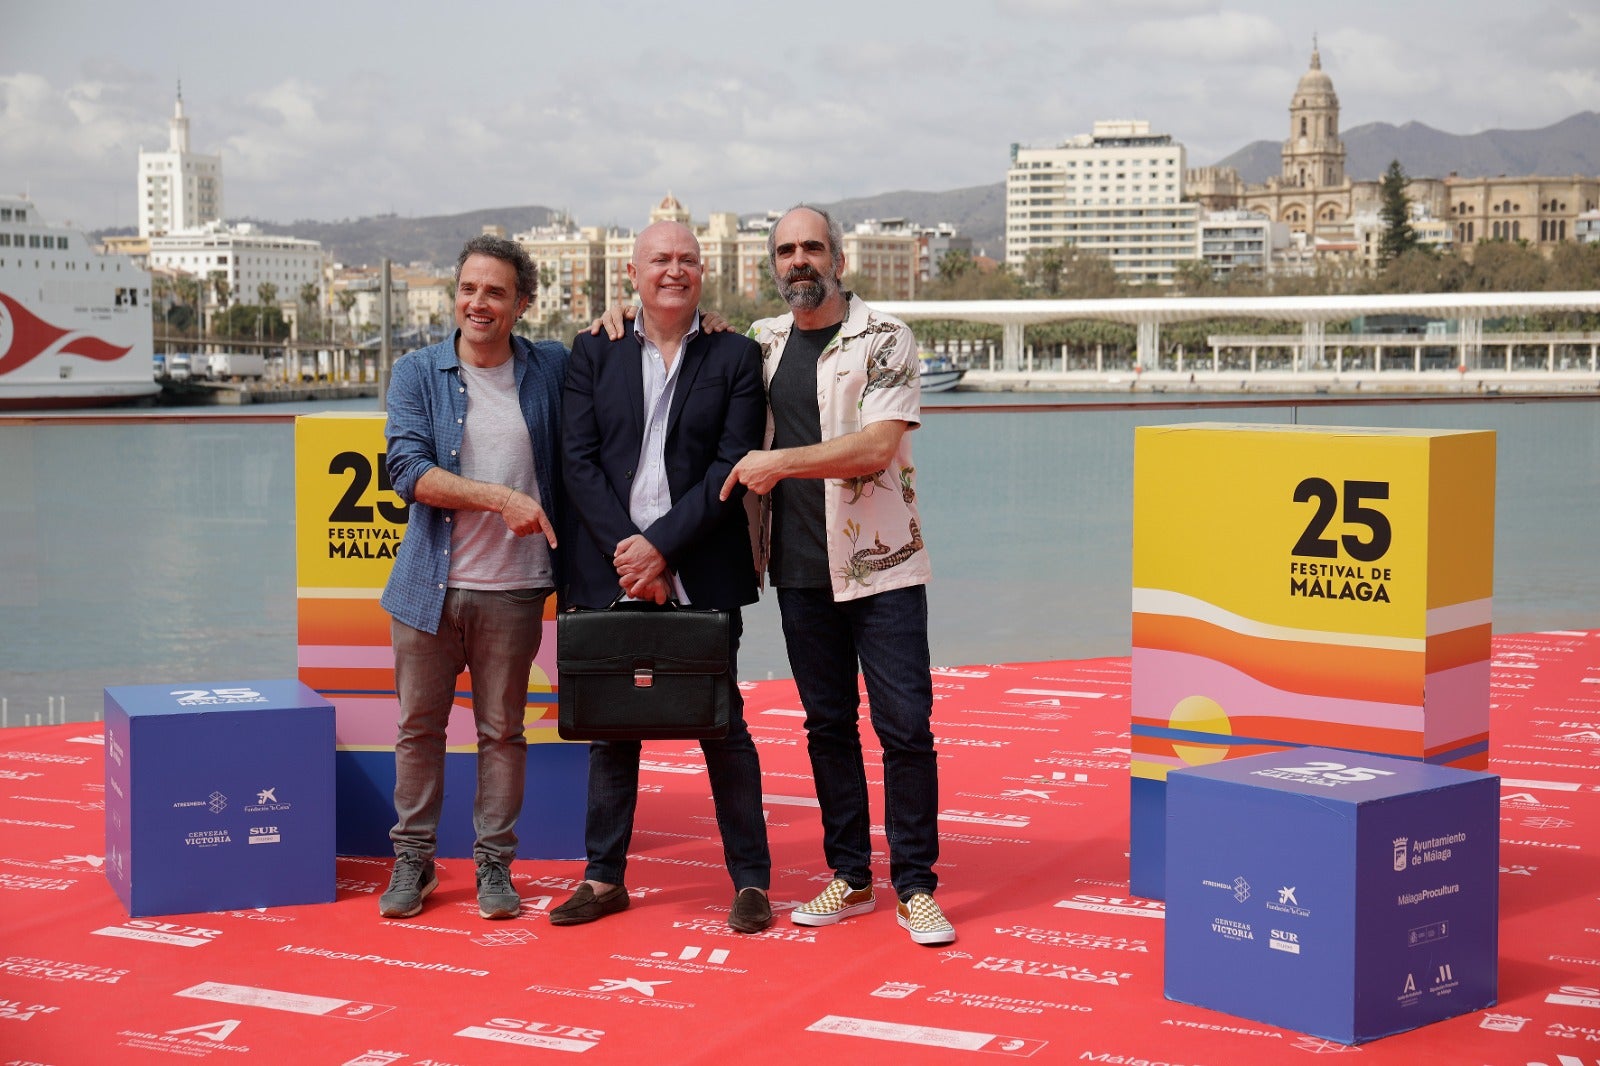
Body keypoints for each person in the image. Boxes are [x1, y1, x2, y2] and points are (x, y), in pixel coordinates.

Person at [720, 204, 954, 946]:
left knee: (905, 727)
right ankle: (851, 877)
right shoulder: (761, 342)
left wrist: (777, 462)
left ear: (839, 259)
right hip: (796, 569)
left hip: (882, 566)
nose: (799, 261)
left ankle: (916, 885)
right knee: (828, 726)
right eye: (786, 250)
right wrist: (627, 317)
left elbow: (876, 446)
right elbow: (684, 357)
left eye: (812, 248)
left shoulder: (885, 337)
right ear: (773, 263)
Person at [550, 221, 773, 933]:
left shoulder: (737, 355)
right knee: (613, 733)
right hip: (608, 566)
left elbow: (730, 465)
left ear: (703, 271)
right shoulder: (592, 349)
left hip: (699, 563)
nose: (673, 271)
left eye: (685, 259)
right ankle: (603, 877)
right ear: (632, 272)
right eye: (659, 260)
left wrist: (662, 550)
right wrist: (630, 550)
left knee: (723, 728)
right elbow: (576, 461)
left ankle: (751, 883)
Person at [376, 234, 566, 921]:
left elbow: (622, 364)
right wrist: (503, 498)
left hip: (514, 589)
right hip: (427, 584)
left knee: (501, 732)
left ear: (522, 303)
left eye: (494, 291)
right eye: (468, 289)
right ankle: (413, 862)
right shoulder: (416, 373)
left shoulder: (551, 370)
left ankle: (494, 867)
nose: (477, 303)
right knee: (419, 730)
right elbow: (408, 473)